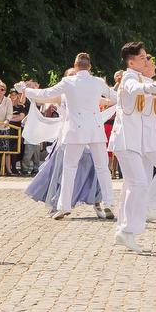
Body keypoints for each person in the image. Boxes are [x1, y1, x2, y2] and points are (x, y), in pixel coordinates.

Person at [23, 55, 117, 219]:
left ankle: (64, 206)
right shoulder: (98, 82)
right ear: (90, 67)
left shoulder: (68, 82)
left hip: (75, 130)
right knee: (103, 168)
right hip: (95, 129)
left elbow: (45, 93)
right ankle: (109, 203)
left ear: (75, 65)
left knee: (69, 168)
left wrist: (25, 90)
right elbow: (116, 97)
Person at [107, 42, 156, 251]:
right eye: (143, 57)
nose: (147, 60)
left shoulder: (142, 78)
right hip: (126, 140)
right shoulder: (128, 78)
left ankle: (124, 229)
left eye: (146, 57)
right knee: (138, 184)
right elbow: (136, 89)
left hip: (137, 142)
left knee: (133, 185)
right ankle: (128, 229)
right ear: (131, 61)